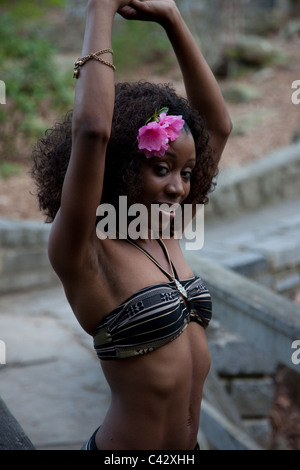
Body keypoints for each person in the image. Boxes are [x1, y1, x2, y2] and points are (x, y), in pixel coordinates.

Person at [31, 0, 232, 450]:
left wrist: (173, 19)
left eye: (186, 172)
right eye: (161, 168)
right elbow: (92, 131)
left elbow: (217, 124)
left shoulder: (166, 229)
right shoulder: (85, 252)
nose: (180, 187)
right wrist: (100, 8)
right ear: (122, 166)